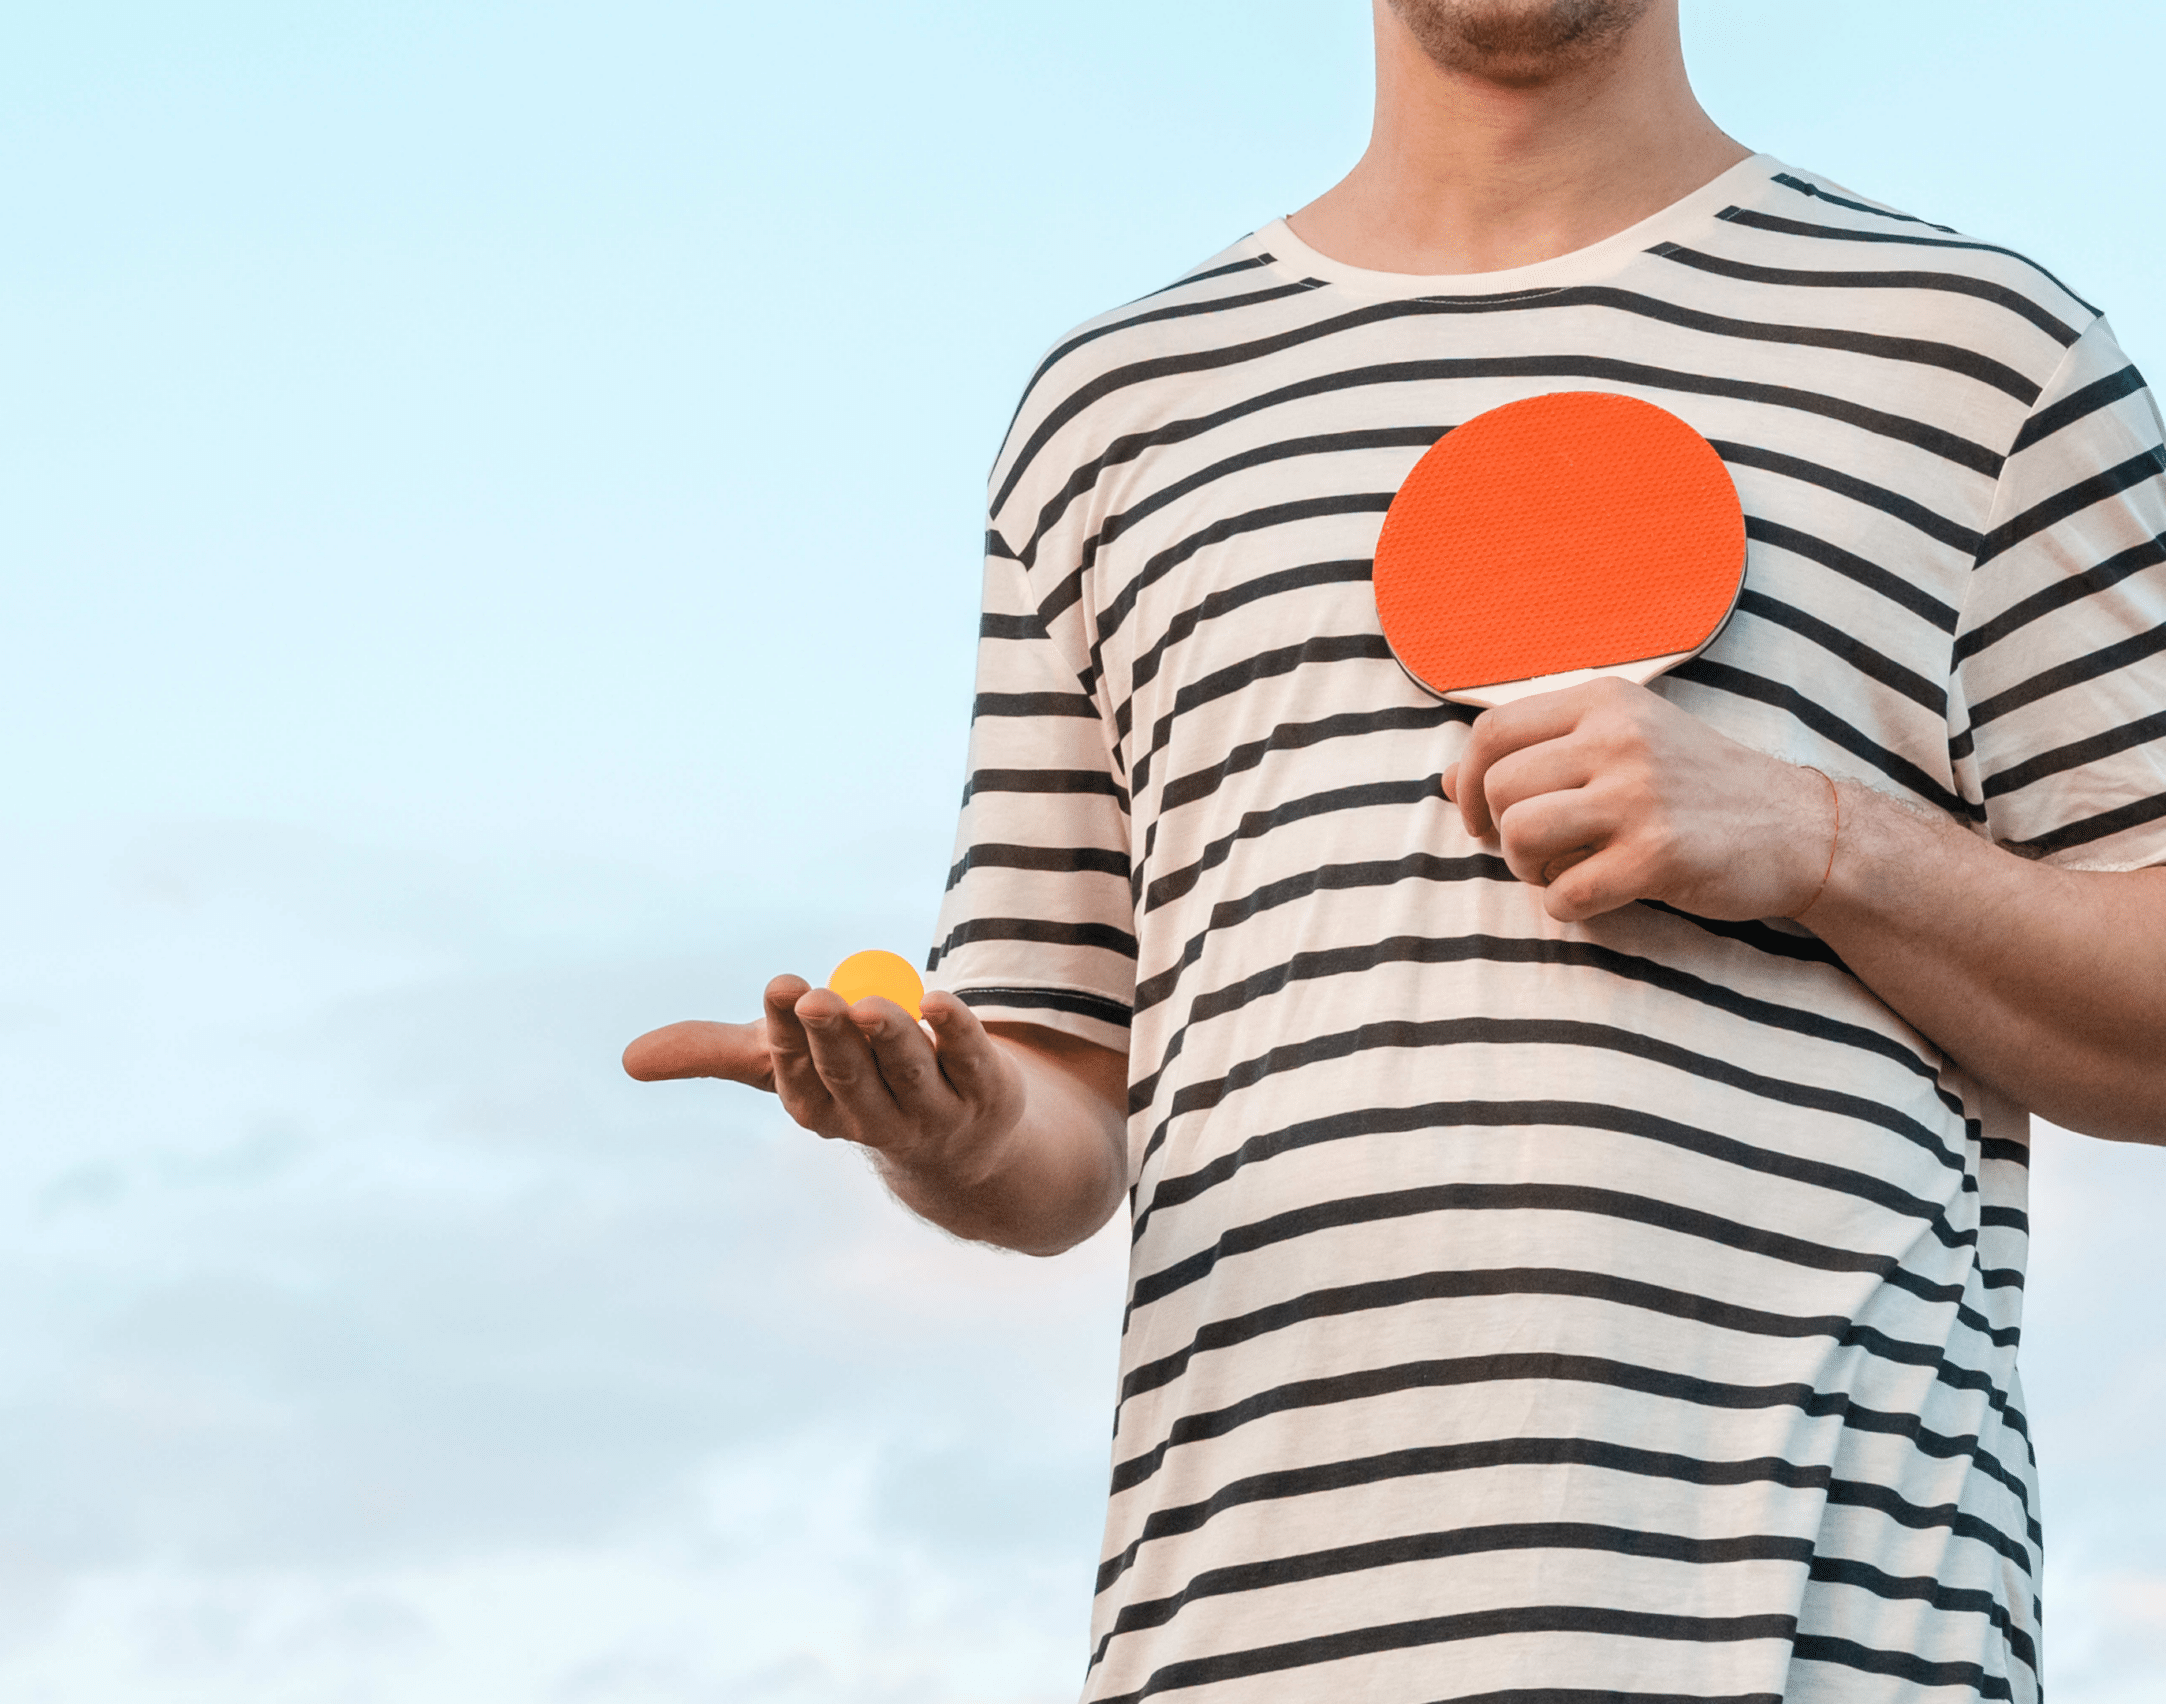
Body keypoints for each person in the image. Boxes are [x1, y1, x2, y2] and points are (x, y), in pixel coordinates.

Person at [625, 1, 2166, 1696]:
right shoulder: (1114, 414)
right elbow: (1068, 1107)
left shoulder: (1976, 352)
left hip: (1845, 1638)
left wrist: (1822, 841)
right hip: (1248, 1641)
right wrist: (957, 1124)